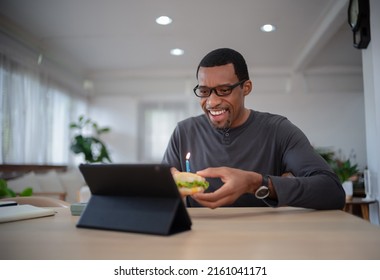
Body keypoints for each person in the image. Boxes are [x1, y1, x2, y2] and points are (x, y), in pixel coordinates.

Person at [162, 48, 345, 210]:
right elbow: (159, 194)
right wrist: (166, 186)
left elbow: (332, 190)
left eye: (224, 90)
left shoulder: (278, 130)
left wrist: (258, 183)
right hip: (197, 241)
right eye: (204, 91)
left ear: (246, 87)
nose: (212, 101)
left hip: (263, 244)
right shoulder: (184, 131)